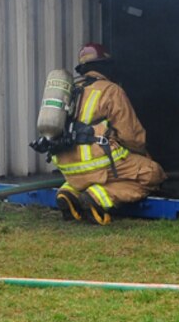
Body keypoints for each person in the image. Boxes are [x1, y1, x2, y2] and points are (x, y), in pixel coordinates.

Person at [52, 43, 165, 224]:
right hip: (96, 162)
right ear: (107, 66)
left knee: (98, 173)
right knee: (152, 173)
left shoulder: (70, 90)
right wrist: (143, 154)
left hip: (68, 165)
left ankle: (69, 191)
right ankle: (97, 197)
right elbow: (131, 136)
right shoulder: (111, 90)